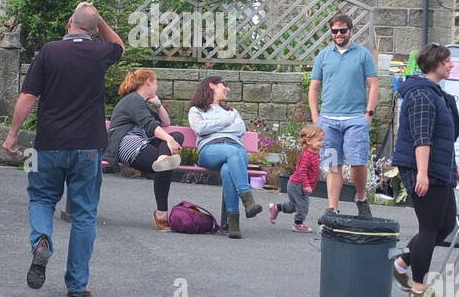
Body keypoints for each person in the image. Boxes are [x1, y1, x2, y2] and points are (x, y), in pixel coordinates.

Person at [2, 2, 123, 297]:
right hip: (89, 148)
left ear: (69, 22)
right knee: (84, 214)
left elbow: (29, 97)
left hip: (47, 145)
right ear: (94, 30)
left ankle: (42, 241)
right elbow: (118, 44)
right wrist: (98, 16)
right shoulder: (100, 53)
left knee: (41, 198)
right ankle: (78, 284)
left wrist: (13, 134)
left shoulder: (49, 51)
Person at [391, 44, 459, 297]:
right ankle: (418, 288)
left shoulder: (436, 94)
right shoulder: (422, 95)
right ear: (435, 63)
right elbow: (422, 137)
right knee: (428, 228)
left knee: (446, 225)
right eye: (447, 60)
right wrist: (422, 173)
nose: (451, 64)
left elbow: (444, 138)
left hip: (439, 169)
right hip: (422, 169)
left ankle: (401, 262)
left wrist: (454, 168)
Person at [308, 12, 380, 218]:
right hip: (328, 121)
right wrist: (316, 117)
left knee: (358, 162)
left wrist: (368, 114)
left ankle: (360, 197)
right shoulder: (323, 55)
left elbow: (374, 86)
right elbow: (313, 88)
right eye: (334, 31)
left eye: (342, 30)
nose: (338, 34)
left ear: (351, 31)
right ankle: (332, 208)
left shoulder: (363, 54)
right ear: (330, 32)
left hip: (355, 119)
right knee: (332, 164)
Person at [108, 68, 184, 230]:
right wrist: (168, 139)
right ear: (148, 81)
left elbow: (166, 123)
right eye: (156, 82)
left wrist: (158, 104)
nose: (157, 86)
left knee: (176, 137)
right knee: (168, 155)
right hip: (127, 144)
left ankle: (162, 158)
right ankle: (161, 214)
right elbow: (150, 125)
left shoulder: (142, 103)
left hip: (142, 143)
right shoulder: (133, 100)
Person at [188, 76, 261, 239]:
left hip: (235, 148)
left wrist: (215, 125)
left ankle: (233, 222)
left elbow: (240, 129)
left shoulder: (232, 112)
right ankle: (248, 200)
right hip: (210, 151)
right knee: (232, 153)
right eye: (224, 85)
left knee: (228, 170)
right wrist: (226, 123)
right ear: (212, 85)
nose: (227, 89)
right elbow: (200, 128)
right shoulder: (196, 110)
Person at [268, 124, 324, 232]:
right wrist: (306, 185)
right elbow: (301, 172)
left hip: (297, 184)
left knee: (294, 206)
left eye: (322, 140)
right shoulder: (307, 156)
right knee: (303, 205)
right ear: (308, 141)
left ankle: (276, 208)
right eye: (319, 140)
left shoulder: (314, 154)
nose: (322, 143)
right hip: (297, 184)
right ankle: (298, 224)